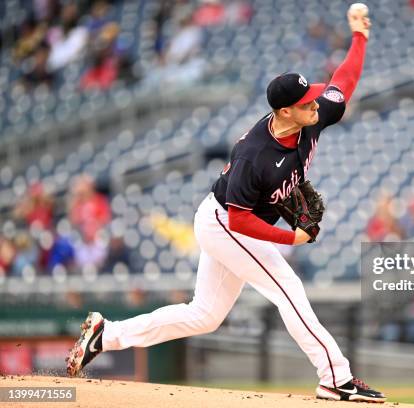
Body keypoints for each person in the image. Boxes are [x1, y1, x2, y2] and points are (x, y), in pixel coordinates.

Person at [66, 5, 385, 403]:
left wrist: (359, 37)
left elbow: (345, 81)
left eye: (313, 98)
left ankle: (105, 335)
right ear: (285, 111)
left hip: (232, 222)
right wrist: (289, 240)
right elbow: (239, 222)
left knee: (205, 315)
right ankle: (335, 377)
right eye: (306, 102)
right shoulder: (255, 156)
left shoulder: (314, 116)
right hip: (225, 223)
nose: (316, 104)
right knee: (288, 288)